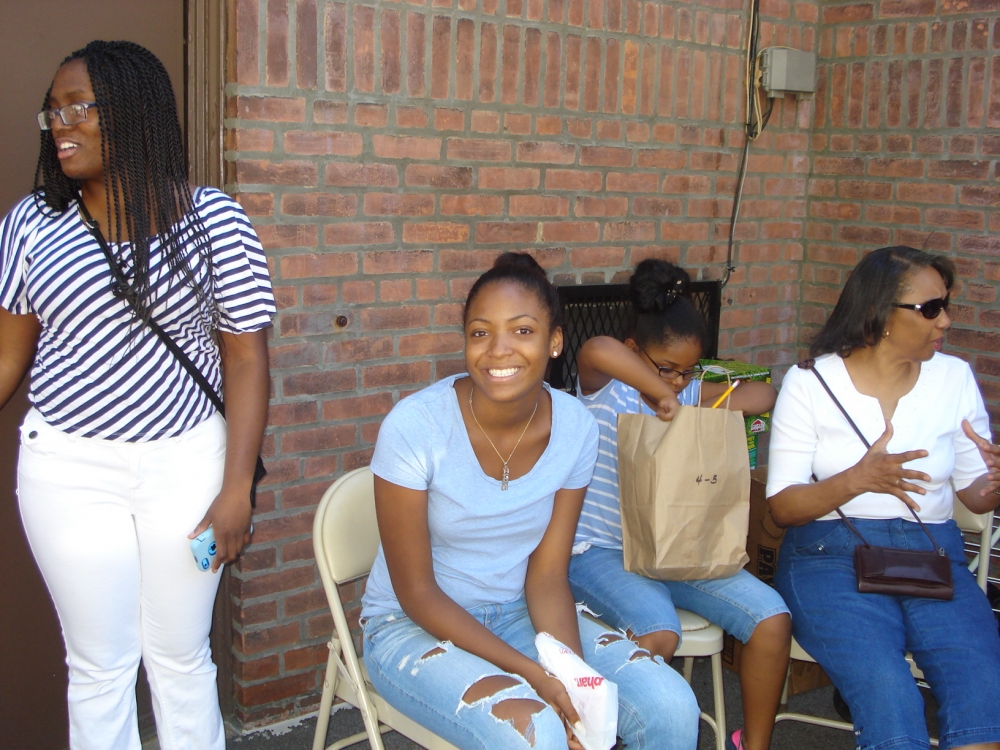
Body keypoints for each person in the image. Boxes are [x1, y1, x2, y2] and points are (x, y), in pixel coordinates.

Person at [0, 41, 274, 750]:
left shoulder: (214, 220)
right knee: (99, 665)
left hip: (187, 466)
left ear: (132, 109)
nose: (60, 126)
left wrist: (236, 488)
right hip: (67, 469)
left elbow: (246, 358)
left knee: (181, 657)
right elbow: (8, 356)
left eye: (78, 108)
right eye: (52, 112)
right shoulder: (32, 225)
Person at [360, 253, 700, 750]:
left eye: (522, 330)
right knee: (536, 730)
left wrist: (574, 681)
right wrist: (534, 675)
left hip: (519, 612)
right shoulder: (416, 427)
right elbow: (416, 592)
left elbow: (547, 575)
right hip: (411, 626)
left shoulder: (575, 427)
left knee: (670, 704)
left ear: (555, 341)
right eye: (480, 332)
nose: (498, 349)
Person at [767, 246, 1000, 750]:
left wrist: (994, 484)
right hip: (829, 554)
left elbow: (975, 496)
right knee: (888, 693)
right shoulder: (810, 382)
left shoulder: (954, 377)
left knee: (982, 688)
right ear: (880, 313)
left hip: (933, 553)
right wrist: (856, 480)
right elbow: (783, 507)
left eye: (946, 305)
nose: (946, 321)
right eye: (931, 308)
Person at [568, 259, 791, 750]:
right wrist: (658, 391)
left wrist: (694, 392)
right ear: (634, 350)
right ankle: (608, 732)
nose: (674, 381)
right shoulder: (602, 388)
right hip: (600, 551)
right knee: (659, 631)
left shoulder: (687, 391)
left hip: (673, 549)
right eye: (665, 368)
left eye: (686, 370)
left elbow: (763, 393)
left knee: (771, 618)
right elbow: (596, 347)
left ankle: (752, 744)